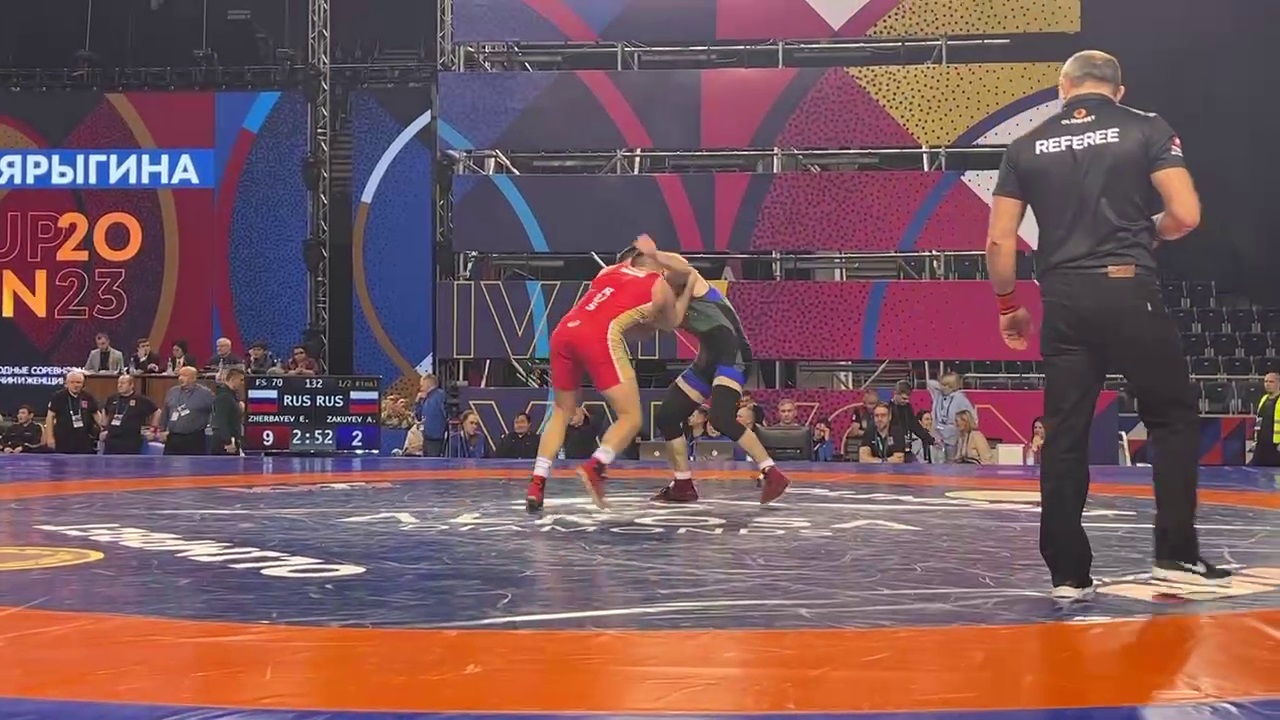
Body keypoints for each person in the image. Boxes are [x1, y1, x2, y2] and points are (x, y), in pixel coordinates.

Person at [986, 49, 1229, 600]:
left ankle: (1068, 575)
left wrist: (1007, 305)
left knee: (1065, 433)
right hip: (1127, 289)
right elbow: (1186, 214)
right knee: (1171, 417)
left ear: (1062, 87)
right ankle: (1175, 554)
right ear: (1118, 91)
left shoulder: (1025, 144)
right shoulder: (1146, 127)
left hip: (1063, 300)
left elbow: (1000, 240)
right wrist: (1149, 232)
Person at [525, 242, 693, 512]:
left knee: (561, 411)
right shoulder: (659, 285)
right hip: (598, 337)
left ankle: (537, 482)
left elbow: (624, 316)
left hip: (564, 331)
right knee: (631, 417)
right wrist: (685, 289)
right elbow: (671, 321)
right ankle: (597, 465)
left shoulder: (607, 272)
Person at [626, 235, 791, 504]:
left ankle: (772, 473)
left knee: (721, 418)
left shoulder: (681, 277)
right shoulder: (664, 296)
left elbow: (682, 268)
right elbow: (662, 325)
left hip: (733, 352)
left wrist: (655, 254)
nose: (639, 278)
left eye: (641, 270)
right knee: (668, 416)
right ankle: (682, 484)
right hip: (709, 357)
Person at [159, 366, 215, 455]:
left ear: (194, 378)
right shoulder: (173, 391)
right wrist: (162, 430)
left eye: (185, 375)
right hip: (173, 438)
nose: (180, 378)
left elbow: (215, 411)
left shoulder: (205, 394)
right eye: (180, 375)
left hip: (194, 439)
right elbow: (165, 411)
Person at [99, 375, 160, 455]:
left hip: (131, 441)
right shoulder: (112, 398)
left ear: (131, 385)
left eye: (123, 383)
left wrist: (153, 430)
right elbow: (105, 410)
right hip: (112, 440)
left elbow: (157, 411)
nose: (120, 385)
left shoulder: (141, 400)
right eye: (119, 383)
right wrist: (104, 429)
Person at [44, 371, 99, 454]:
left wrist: (104, 429)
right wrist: (50, 437)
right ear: (66, 383)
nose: (75, 385)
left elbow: (96, 414)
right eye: (72, 382)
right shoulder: (58, 397)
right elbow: (50, 417)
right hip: (63, 438)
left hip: (84, 438)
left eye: (78, 382)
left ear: (83, 384)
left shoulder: (88, 397)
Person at [209, 368, 246, 456]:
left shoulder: (231, 395)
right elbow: (220, 421)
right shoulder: (224, 396)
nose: (242, 383)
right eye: (241, 380)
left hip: (231, 440)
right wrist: (228, 442)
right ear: (233, 379)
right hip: (225, 444)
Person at [1252, 372, 1279, 466]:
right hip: (1261, 444)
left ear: (1278, 383)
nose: (1267, 384)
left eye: (1271, 382)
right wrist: (1255, 439)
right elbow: (1259, 420)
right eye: (1266, 381)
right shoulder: (1264, 399)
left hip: (1276, 445)